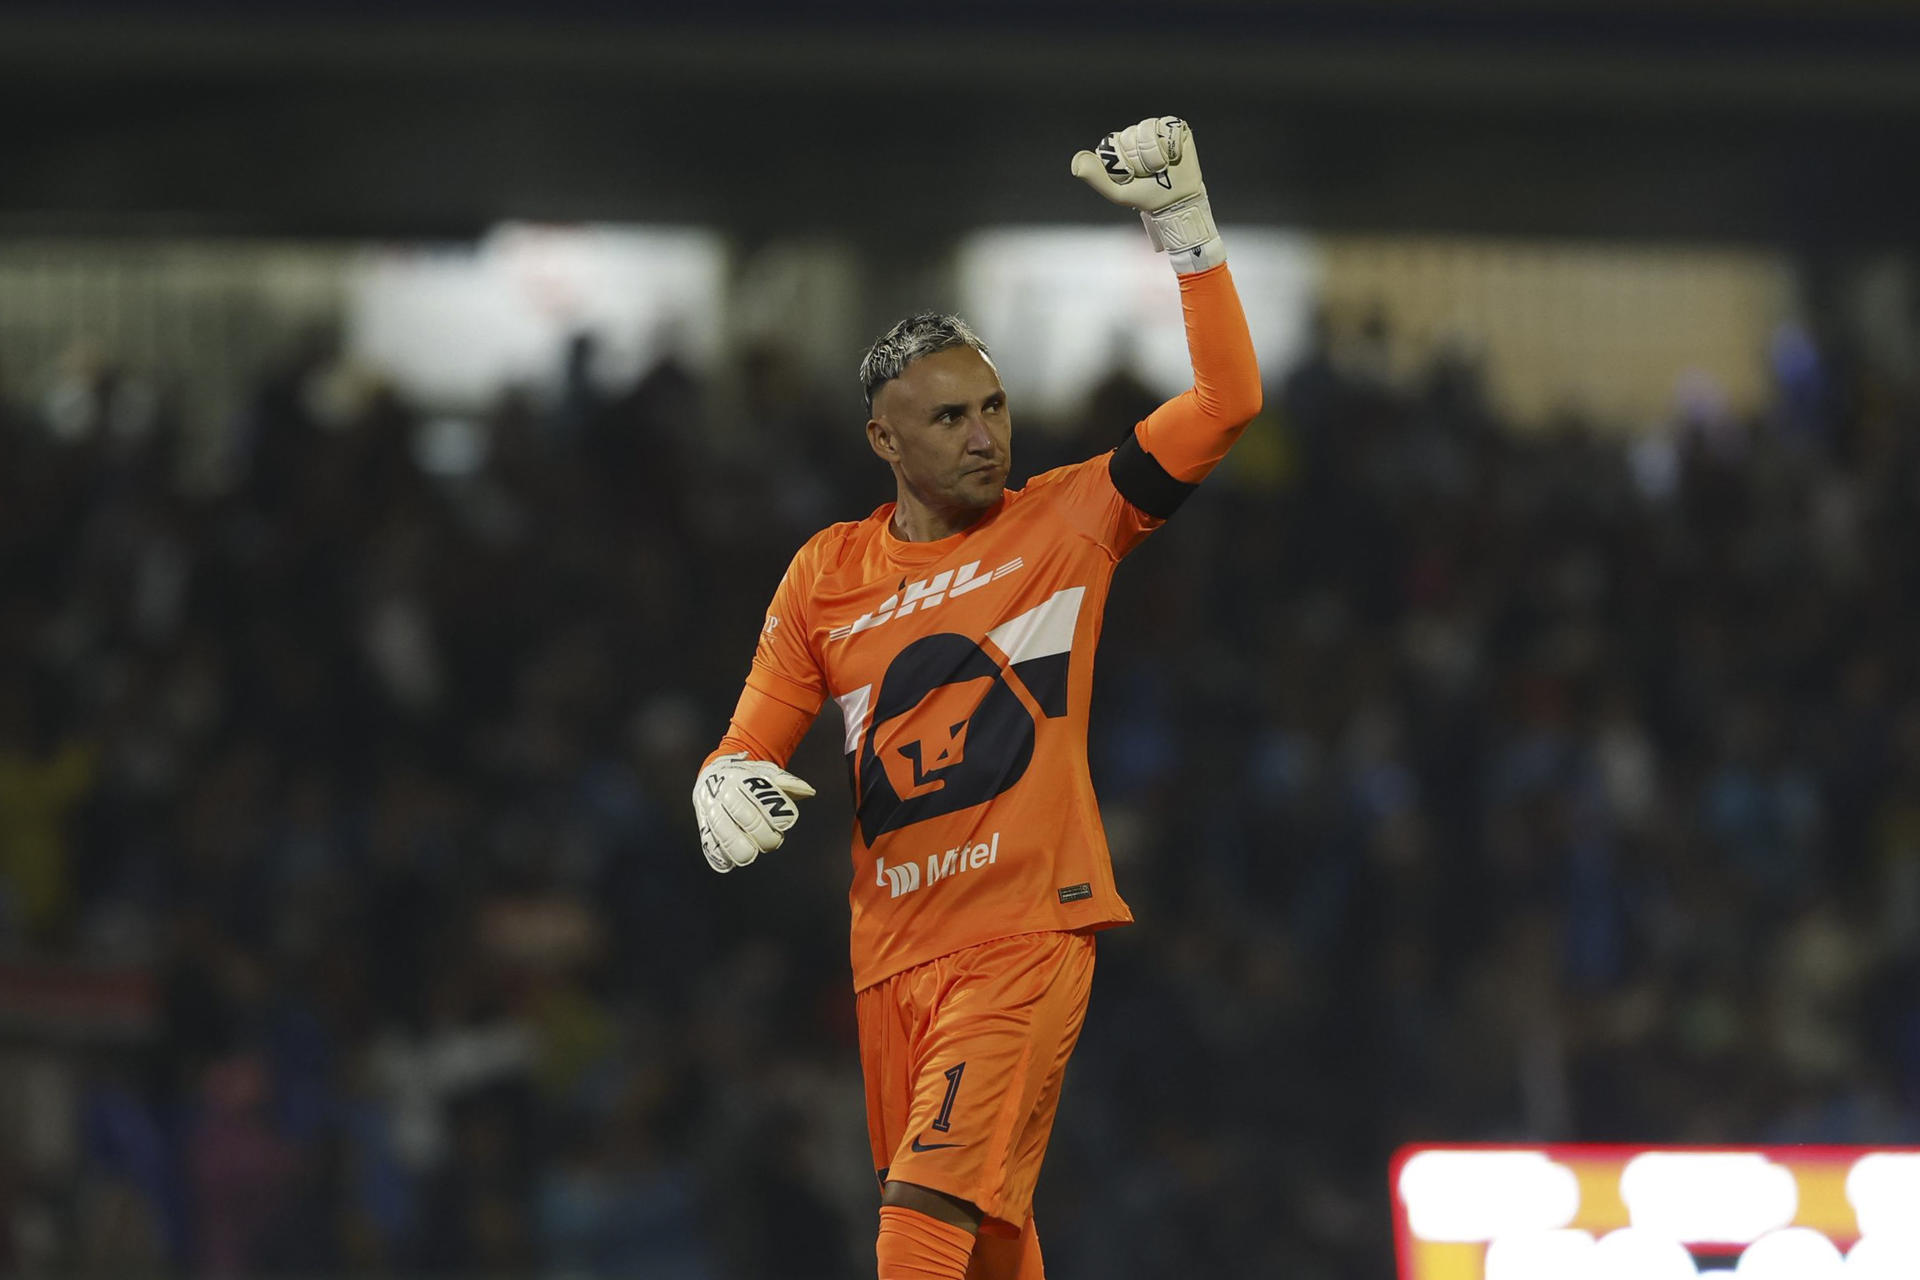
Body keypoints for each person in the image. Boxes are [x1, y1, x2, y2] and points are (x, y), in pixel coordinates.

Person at [693, 116, 1262, 1279]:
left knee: (919, 1215)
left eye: (993, 408)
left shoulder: (1069, 519)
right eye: (949, 418)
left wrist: (1189, 237)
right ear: (883, 439)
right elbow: (751, 739)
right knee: (986, 1236)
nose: (984, 435)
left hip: (1024, 935)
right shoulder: (825, 574)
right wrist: (719, 782)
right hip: (891, 955)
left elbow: (1227, 400)